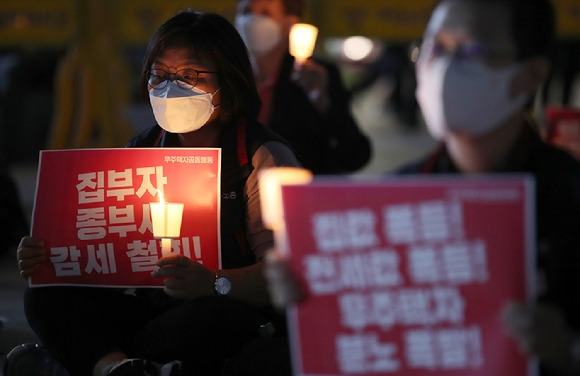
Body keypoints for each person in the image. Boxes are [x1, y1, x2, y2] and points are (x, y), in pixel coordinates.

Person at [265, 0, 580, 375]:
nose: (444, 68)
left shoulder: (571, 196)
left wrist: (570, 352)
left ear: (531, 75)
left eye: (471, 50)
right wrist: (315, 298)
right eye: (434, 47)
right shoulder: (393, 200)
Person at [16, 10, 300, 376]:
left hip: (226, 310)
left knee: (206, 320)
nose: (170, 87)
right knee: (45, 296)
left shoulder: (263, 158)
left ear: (228, 80)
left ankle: (131, 362)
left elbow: (288, 274)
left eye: (189, 75)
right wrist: (51, 259)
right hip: (155, 310)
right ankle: (120, 367)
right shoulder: (141, 150)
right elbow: (108, 254)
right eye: (159, 75)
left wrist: (214, 282)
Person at [234, 0, 372, 175]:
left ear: (290, 22)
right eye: (246, 12)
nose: (251, 20)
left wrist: (323, 103)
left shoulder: (315, 75)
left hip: (299, 192)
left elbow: (355, 155)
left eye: (265, 13)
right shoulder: (229, 74)